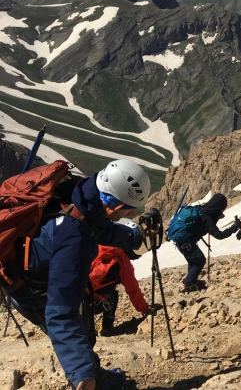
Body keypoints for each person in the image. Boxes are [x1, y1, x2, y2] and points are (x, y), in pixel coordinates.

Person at [9, 159, 153, 390]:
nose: (133, 212)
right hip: (33, 290)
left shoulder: (82, 196)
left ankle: (92, 373)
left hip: (38, 276)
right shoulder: (74, 237)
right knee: (78, 330)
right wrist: (82, 373)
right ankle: (88, 379)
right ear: (114, 205)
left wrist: (135, 237)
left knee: (83, 329)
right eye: (129, 207)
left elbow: (101, 228)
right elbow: (61, 314)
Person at [174, 193, 241, 293]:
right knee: (200, 261)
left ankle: (192, 282)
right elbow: (219, 235)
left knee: (193, 261)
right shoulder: (207, 218)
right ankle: (186, 284)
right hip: (187, 244)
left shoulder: (201, 210)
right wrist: (234, 227)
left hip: (181, 242)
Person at [89, 245, 159, 335]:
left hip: (76, 295)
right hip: (93, 301)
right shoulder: (122, 260)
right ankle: (106, 327)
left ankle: (87, 324)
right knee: (113, 296)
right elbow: (133, 290)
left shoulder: (98, 246)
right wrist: (145, 309)